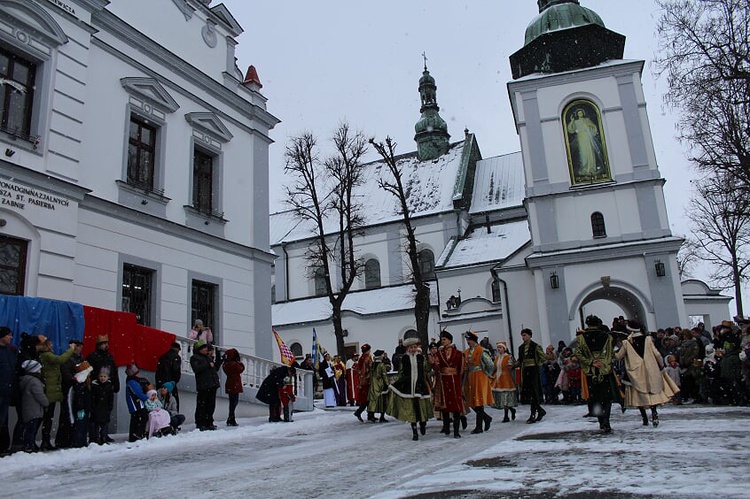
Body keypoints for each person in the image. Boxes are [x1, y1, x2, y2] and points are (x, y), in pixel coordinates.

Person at [615, 320, 679, 427]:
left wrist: (613, 351)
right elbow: (657, 354)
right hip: (650, 369)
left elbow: (618, 357)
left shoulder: (627, 342)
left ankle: (644, 418)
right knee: (651, 392)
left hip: (635, 371)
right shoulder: (648, 339)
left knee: (639, 395)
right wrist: (661, 365)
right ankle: (654, 413)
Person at [575, 315, 619, 433]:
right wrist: (603, 363)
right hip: (605, 371)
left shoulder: (581, 338)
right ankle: (607, 421)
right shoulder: (607, 337)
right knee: (607, 398)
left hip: (591, 372)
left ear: (587, 324)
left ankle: (601, 421)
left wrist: (591, 362)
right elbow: (611, 354)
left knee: (596, 398)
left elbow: (578, 353)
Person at [387, 337, 433, 441]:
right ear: (408, 348)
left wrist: (430, 362)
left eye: (415, 347)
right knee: (412, 409)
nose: (413, 349)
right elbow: (401, 373)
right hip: (409, 386)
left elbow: (427, 369)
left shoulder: (421, 358)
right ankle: (414, 431)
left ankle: (422, 423)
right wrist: (395, 385)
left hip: (420, 386)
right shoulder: (404, 359)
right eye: (411, 347)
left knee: (421, 407)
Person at [38, 337, 75, 450]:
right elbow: (60, 360)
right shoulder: (47, 356)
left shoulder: (44, 356)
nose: (52, 346)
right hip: (51, 389)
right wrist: (70, 350)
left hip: (52, 388)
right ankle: (45, 440)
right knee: (48, 416)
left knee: (48, 417)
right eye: (49, 344)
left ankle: (46, 439)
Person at [431, 330, 466, 438]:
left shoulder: (458, 353)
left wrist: (459, 379)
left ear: (450, 340)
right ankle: (446, 428)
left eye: (444, 340)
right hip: (443, 381)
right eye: (442, 340)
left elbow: (461, 368)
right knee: (445, 405)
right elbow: (436, 368)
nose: (443, 342)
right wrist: (435, 365)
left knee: (456, 406)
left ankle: (456, 431)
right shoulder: (439, 354)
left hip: (454, 381)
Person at [463, 331, 494, 434]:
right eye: (467, 340)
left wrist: (487, 374)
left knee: (479, 402)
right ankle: (486, 418)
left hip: (479, 376)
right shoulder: (467, 352)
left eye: (470, 340)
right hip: (470, 377)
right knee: (472, 401)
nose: (468, 342)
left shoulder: (481, 350)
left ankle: (479, 426)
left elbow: (490, 364)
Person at [56, 339, 83, 449]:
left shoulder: (80, 358)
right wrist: (75, 378)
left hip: (77, 389)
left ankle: (73, 437)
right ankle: (64, 439)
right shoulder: (68, 359)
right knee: (67, 414)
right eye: (78, 346)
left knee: (75, 414)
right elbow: (66, 374)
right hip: (69, 389)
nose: (80, 348)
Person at [516, 328, 547, 424]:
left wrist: (539, 365)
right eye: (522, 335)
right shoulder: (521, 347)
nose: (523, 337)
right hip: (525, 371)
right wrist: (513, 365)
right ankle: (540, 410)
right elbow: (520, 360)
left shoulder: (535, 346)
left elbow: (543, 357)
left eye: (525, 335)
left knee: (534, 392)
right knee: (528, 393)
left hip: (533, 371)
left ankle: (533, 413)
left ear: (529, 336)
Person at [190, 341, 222, 431]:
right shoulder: (195, 358)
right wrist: (207, 365)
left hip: (212, 384)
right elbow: (196, 368)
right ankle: (201, 422)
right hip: (203, 385)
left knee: (211, 405)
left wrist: (219, 359)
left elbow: (215, 368)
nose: (206, 349)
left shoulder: (208, 357)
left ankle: (209, 421)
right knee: (202, 405)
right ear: (199, 349)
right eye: (203, 348)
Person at [566, 106, 606, 178]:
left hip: (588, 138)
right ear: (577, 114)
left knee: (590, 152)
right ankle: (584, 168)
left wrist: (593, 128)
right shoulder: (576, 121)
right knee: (583, 153)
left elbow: (593, 126)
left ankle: (591, 168)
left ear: (583, 113)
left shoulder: (587, 120)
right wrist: (571, 121)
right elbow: (570, 130)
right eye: (579, 113)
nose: (580, 114)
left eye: (581, 112)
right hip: (581, 138)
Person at [19, 359, 47, 453]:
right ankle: (29, 446)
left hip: (29, 409)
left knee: (29, 429)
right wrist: (46, 402)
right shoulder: (35, 381)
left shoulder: (25, 380)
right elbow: (39, 395)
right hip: (34, 409)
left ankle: (29, 445)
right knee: (31, 430)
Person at [0, 326, 18, 455]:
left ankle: (4, 445)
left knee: (4, 420)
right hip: (2, 389)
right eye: (8, 335)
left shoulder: (11, 351)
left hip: (8, 390)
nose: (11, 337)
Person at [491, 341, 517, 423]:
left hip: (506, 378)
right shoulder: (497, 358)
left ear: (504, 349)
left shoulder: (508, 357)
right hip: (497, 378)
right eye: (498, 347)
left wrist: (510, 365)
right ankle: (511, 410)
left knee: (505, 398)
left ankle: (506, 416)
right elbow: (494, 368)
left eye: (500, 347)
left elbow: (511, 366)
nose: (499, 349)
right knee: (502, 398)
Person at [70, 361, 93, 448]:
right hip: (81, 408)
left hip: (85, 407)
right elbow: (78, 398)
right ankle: (78, 442)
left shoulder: (83, 383)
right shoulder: (79, 384)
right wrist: (80, 408)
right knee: (80, 426)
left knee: (83, 426)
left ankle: (82, 442)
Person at [124, 364, 150, 441]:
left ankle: (133, 435)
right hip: (136, 403)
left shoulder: (130, 381)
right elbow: (138, 393)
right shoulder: (133, 382)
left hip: (134, 403)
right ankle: (138, 433)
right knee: (143, 416)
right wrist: (146, 398)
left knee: (135, 419)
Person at [89, 366, 114, 445]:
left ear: (107, 377)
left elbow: (111, 398)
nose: (102, 378)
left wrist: (110, 407)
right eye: (101, 376)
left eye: (104, 376)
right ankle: (96, 438)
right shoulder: (95, 386)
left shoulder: (109, 386)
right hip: (97, 407)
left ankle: (103, 437)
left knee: (104, 424)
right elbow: (92, 398)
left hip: (105, 408)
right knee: (96, 424)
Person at [155, 342, 182, 411]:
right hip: (170, 383)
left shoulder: (163, 356)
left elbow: (158, 371)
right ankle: (172, 417)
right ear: (177, 349)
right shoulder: (176, 357)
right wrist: (174, 382)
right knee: (172, 401)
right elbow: (176, 370)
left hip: (161, 382)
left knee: (160, 400)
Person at [222, 348, 245, 426]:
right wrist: (239, 362)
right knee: (234, 402)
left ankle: (231, 417)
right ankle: (231, 418)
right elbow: (241, 368)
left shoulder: (226, 364)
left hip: (230, 383)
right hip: (234, 384)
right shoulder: (234, 364)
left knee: (232, 402)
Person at [367, 350, 390, 423]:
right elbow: (384, 375)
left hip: (373, 384)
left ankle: (372, 415)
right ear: (380, 356)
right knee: (382, 400)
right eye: (382, 355)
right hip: (380, 384)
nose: (383, 356)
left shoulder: (372, 364)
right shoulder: (381, 365)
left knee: (373, 400)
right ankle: (382, 416)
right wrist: (387, 384)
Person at [353, 344, 373, 421]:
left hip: (362, 381)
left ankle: (369, 414)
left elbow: (358, 370)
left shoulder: (361, 358)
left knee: (366, 399)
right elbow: (370, 368)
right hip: (367, 381)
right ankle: (360, 412)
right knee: (367, 399)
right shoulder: (367, 358)